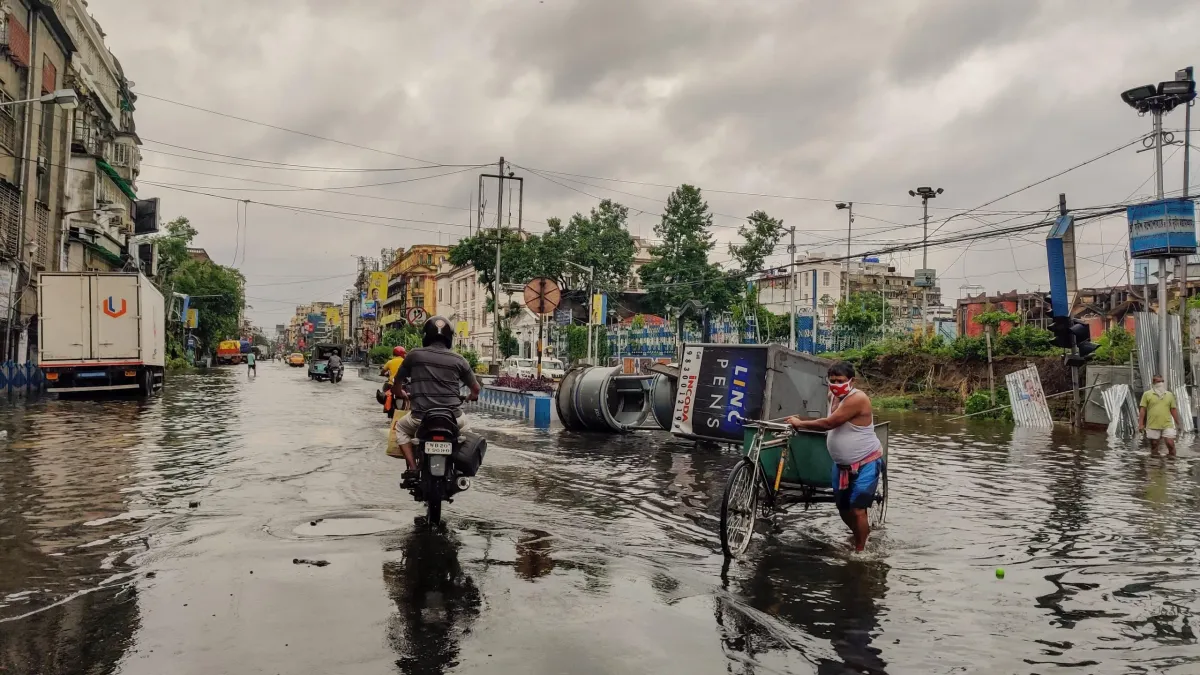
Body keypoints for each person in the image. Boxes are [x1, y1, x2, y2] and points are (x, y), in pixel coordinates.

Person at [786, 361, 883, 552]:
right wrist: (801, 420)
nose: (836, 385)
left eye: (840, 380)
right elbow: (828, 419)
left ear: (852, 381)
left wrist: (800, 423)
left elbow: (829, 423)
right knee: (843, 508)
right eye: (832, 381)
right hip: (841, 465)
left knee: (858, 509)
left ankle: (860, 552)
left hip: (866, 461)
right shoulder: (832, 396)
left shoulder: (858, 399)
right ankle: (859, 535)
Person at [390, 316, 480, 487]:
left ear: (426, 335)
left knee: (400, 428)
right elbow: (476, 389)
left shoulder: (414, 355)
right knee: (467, 433)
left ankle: (413, 468)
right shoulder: (459, 360)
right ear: (449, 337)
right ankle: (459, 471)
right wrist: (471, 396)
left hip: (420, 418)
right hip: (453, 418)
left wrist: (400, 393)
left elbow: (397, 384)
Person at [1139, 375, 1180, 457]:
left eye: (1162, 381)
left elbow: (1173, 409)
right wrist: (1140, 424)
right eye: (1158, 381)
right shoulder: (1147, 394)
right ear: (1153, 382)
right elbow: (1143, 409)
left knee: (1170, 443)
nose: (1160, 383)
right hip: (1152, 424)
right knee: (1154, 444)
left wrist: (1177, 422)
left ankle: (1172, 461)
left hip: (1167, 424)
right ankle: (1155, 462)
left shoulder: (1169, 395)